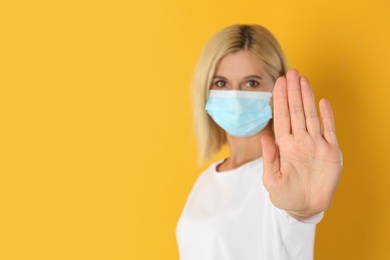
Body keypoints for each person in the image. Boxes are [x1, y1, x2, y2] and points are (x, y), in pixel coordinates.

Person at [176, 24, 343, 260]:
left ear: (277, 88)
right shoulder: (206, 180)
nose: (235, 96)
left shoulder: (287, 175)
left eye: (252, 83)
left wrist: (304, 210)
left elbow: (296, 210)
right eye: (221, 83)